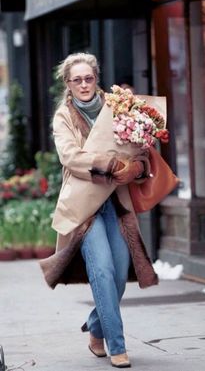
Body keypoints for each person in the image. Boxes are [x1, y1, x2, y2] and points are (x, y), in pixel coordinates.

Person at [39, 53, 158, 368]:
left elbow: (143, 151)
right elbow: (70, 157)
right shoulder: (64, 116)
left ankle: (95, 328)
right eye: (76, 80)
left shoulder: (118, 107)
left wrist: (134, 168)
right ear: (68, 83)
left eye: (88, 78)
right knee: (102, 270)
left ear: (96, 79)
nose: (83, 84)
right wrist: (108, 163)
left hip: (117, 204)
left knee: (118, 276)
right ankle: (116, 346)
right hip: (84, 207)